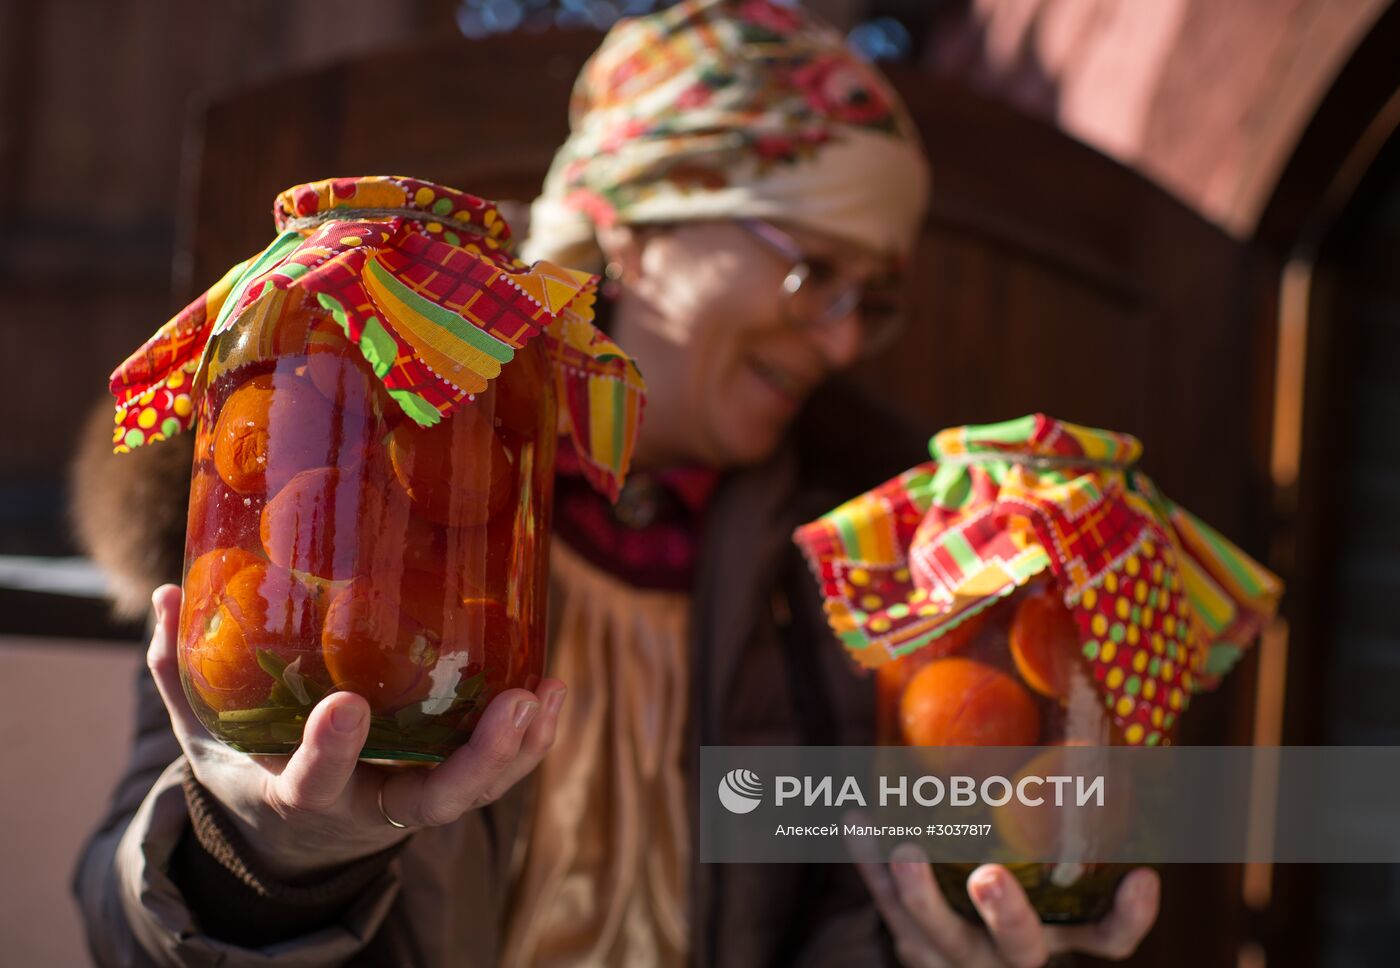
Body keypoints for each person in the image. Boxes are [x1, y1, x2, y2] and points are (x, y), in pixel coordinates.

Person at [74, 2, 1159, 966]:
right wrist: (271, 854)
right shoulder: (335, 487)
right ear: (636, 229)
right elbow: (121, 916)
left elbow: (859, 892)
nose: (839, 340)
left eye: (870, 298)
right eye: (811, 268)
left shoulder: (883, 561)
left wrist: (950, 934)